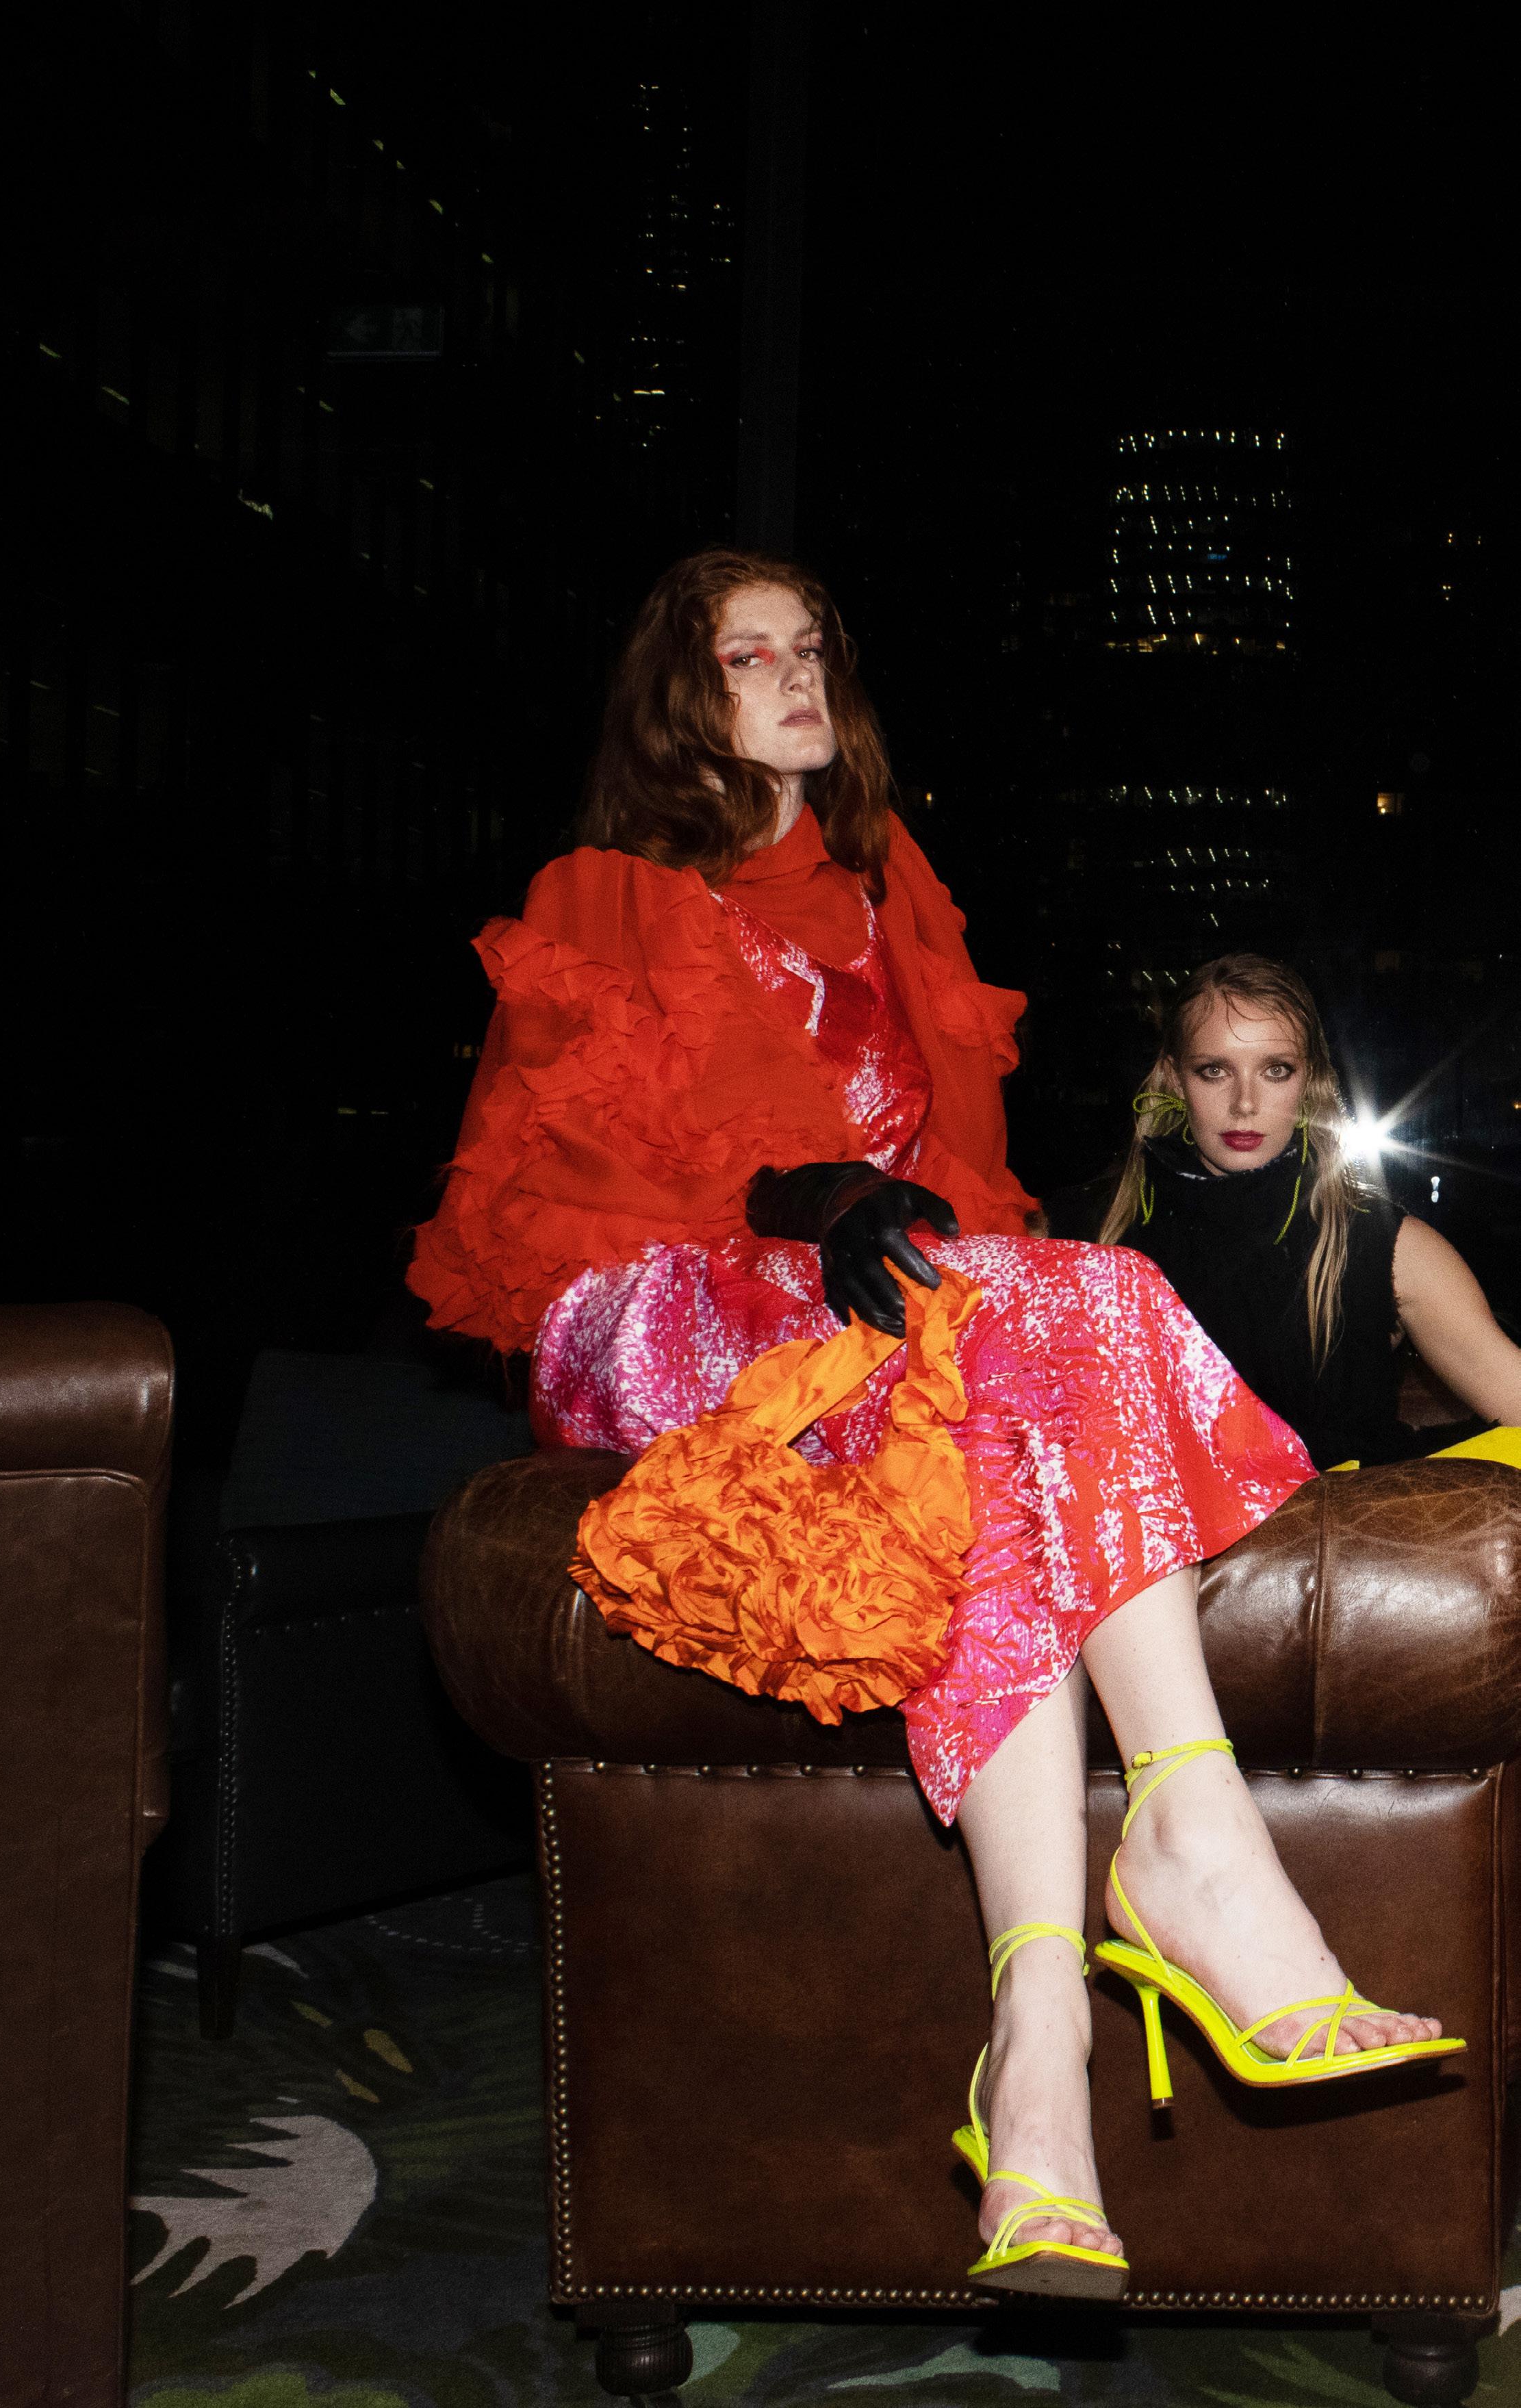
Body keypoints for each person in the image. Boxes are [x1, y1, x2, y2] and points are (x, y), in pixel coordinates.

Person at [409, 551, 1457, 2300]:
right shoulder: (604, 893)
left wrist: (884, 1226)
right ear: (678, 698)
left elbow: (955, 1190)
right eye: (747, 655)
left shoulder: (890, 899)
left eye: (810, 646)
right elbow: (591, 1165)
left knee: (1020, 1404)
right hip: (659, 1310)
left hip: (877, 1323)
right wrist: (796, 1194)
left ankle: (1037, 2052)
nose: (793, 676)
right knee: (1065, 1306)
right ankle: (1194, 1851)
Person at [1068, 952, 1521, 1472]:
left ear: (1308, 1081)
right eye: (1214, 1070)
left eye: (1275, 1070)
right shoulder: (1089, 1234)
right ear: (1175, 1078)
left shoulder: (1390, 1248)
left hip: (1342, 1525)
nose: (1244, 1103)